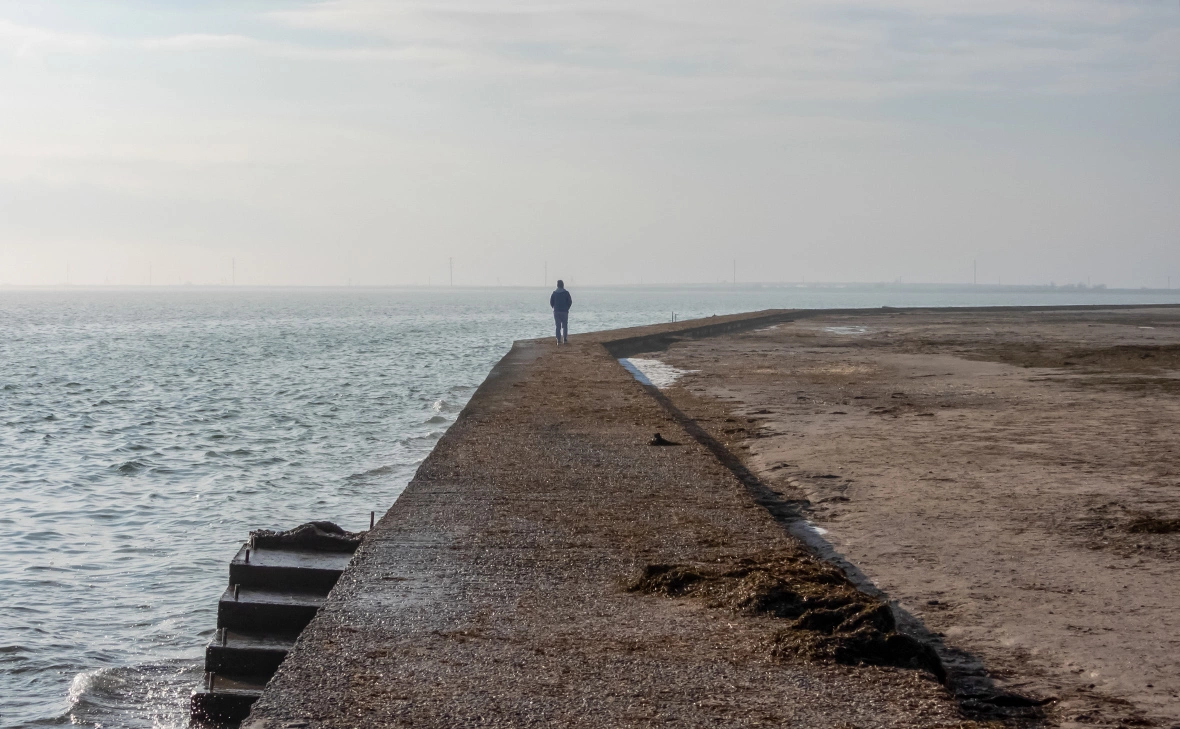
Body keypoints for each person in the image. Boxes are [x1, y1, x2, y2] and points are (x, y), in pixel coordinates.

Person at [550, 280, 572, 344]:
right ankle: (565, 339)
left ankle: (558, 340)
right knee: (565, 326)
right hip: (564, 311)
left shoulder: (554, 293)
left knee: (558, 326)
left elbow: (551, 302)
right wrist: (567, 308)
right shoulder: (566, 293)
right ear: (563, 285)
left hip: (556, 311)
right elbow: (570, 302)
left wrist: (554, 307)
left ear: (557, 285)